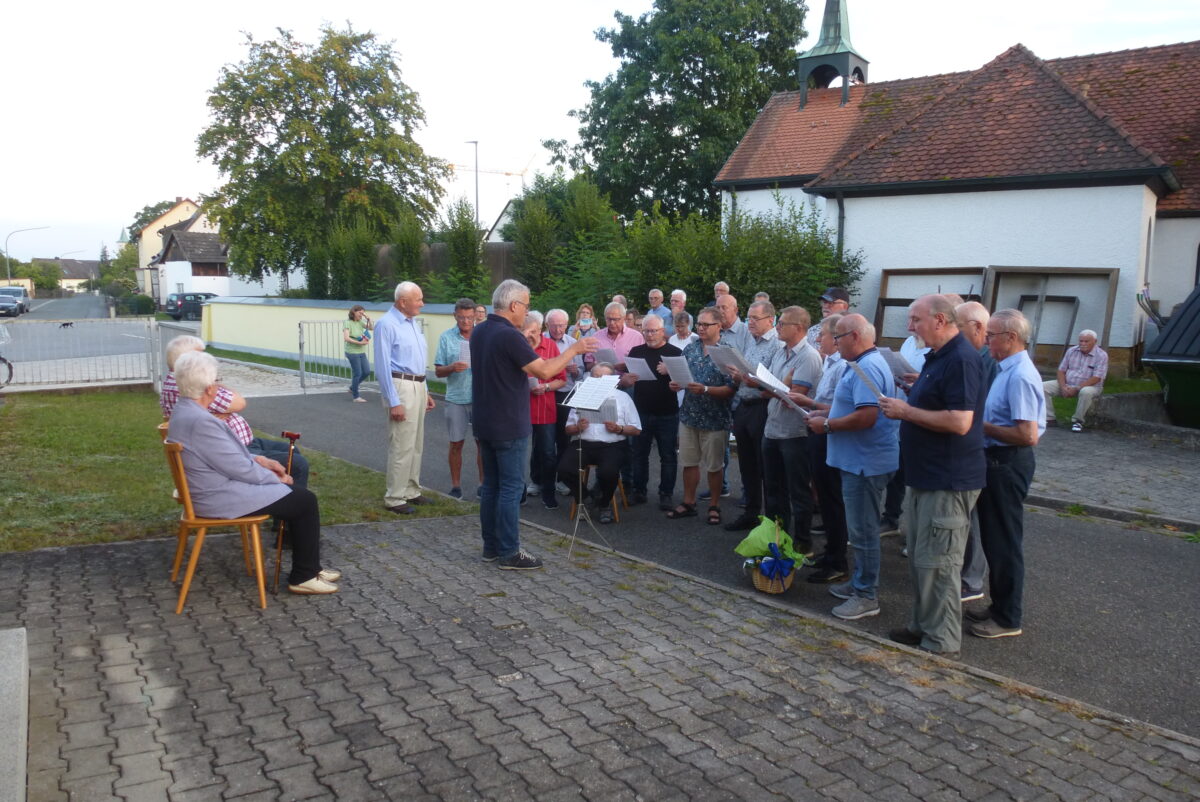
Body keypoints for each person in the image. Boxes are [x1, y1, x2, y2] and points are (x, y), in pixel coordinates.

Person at [168, 351, 340, 595]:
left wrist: (260, 459)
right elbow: (238, 468)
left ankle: (311, 567)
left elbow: (225, 456)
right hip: (218, 495)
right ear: (208, 389)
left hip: (213, 487)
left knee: (297, 498)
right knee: (304, 501)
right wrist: (276, 478)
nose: (219, 386)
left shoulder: (185, 411)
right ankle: (304, 575)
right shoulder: (201, 421)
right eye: (217, 380)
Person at [880, 294, 986, 656]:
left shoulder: (961, 359)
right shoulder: (939, 357)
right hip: (927, 475)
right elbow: (940, 402)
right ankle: (921, 625)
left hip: (949, 478)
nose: (910, 327)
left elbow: (959, 421)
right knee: (921, 559)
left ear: (940, 320)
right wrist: (917, 390)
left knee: (940, 564)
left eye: (915, 320)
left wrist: (906, 411)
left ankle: (941, 642)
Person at [471, 279, 597, 570]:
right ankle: (509, 552)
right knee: (510, 488)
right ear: (514, 305)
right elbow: (544, 369)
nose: (526, 311)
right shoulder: (509, 335)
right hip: (508, 423)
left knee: (491, 485)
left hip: (485, 419)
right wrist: (573, 350)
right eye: (526, 305)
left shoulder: (480, 331)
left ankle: (491, 547)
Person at [807, 315, 899, 621]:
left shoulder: (868, 366)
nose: (834, 343)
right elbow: (852, 408)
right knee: (861, 529)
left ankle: (866, 595)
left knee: (863, 531)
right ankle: (860, 582)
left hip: (865, 463)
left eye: (838, 337)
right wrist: (822, 412)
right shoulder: (862, 363)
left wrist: (828, 425)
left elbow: (866, 417)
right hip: (859, 460)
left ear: (855, 336)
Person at [969, 309, 1045, 639]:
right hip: (995, 460)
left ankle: (1008, 617)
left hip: (1007, 462)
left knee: (1004, 542)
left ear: (1011, 338)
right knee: (993, 538)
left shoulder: (1020, 375)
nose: (987, 341)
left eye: (992, 336)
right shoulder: (1004, 369)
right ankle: (999, 606)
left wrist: (979, 426)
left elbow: (1028, 435)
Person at [160, 335, 309, 489]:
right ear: (186, 361)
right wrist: (215, 384)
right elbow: (239, 402)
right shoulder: (195, 388)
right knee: (298, 464)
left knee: (292, 450)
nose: (208, 358)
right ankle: (287, 501)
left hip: (239, 443)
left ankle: (289, 500)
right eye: (200, 355)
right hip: (234, 449)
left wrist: (214, 381)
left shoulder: (174, 383)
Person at [757, 307, 823, 554]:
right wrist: (781, 385)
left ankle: (803, 541)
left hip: (794, 433)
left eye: (782, 323)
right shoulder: (780, 352)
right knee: (772, 489)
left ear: (799, 327)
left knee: (797, 490)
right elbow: (765, 390)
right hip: (772, 428)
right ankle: (776, 535)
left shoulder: (808, 356)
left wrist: (780, 387)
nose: (777, 327)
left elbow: (794, 398)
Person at [790, 314, 849, 583]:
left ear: (836, 339)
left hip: (829, 434)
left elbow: (839, 408)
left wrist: (808, 402)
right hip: (819, 429)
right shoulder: (831, 363)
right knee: (825, 499)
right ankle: (830, 553)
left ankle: (837, 561)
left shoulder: (842, 366)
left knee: (833, 500)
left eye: (822, 335)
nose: (817, 339)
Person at [666, 307, 735, 524]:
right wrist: (675, 384)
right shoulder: (691, 349)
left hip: (715, 418)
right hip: (689, 414)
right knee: (688, 462)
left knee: (715, 465)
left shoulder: (727, 351)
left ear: (719, 326)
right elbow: (682, 377)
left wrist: (705, 389)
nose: (701, 328)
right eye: (699, 324)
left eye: (706, 325)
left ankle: (714, 505)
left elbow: (731, 389)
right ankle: (689, 502)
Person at [374, 281, 436, 515]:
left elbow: (417, 361)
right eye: (418, 299)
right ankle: (395, 497)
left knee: (416, 442)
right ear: (403, 302)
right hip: (400, 386)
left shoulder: (412, 323)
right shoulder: (387, 325)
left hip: (417, 385)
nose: (422, 303)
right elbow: (382, 366)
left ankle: (411, 489)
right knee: (401, 443)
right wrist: (394, 401)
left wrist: (426, 390)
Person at [723, 300, 782, 531]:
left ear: (770, 320)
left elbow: (777, 382)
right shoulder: (752, 341)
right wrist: (738, 377)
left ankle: (770, 519)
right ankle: (751, 511)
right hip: (744, 404)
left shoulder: (776, 344)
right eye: (748, 318)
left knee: (765, 465)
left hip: (762, 406)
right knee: (747, 464)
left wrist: (752, 380)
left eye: (755, 319)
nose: (750, 323)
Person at [954, 300, 999, 601]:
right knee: (967, 518)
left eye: (959, 327)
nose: (954, 332)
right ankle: (965, 574)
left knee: (979, 520)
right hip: (973, 445)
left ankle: (973, 579)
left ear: (979, 327)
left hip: (984, 448)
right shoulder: (970, 355)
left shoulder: (985, 360)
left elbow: (984, 407)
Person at [559, 364, 642, 524]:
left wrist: (619, 428)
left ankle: (605, 504)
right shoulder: (581, 395)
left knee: (608, 472)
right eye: (595, 376)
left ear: (613, 380)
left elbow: (636, 429)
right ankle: (587, 499)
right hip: (584, 442)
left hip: (612, 444)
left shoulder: (623, 398)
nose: (598, 380)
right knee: (564, 469)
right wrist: (578, 427)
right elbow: (568, 429)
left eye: (603, 377)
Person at [623, 314, 682, 510]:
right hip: (641, 411)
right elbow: (626, 378)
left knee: (668, 456)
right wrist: (627, 379)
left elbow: (684, 382)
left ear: (663, 331)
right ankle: (639, 491)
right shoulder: (636, 351)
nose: (649, 335)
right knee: (639, 454)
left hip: (667, 412)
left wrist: (671, 370)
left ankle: (666, 494)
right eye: (646, 331)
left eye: (653, 331)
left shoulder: (675, 352)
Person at [433, 298, 480, 499]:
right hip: (455, 397)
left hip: (480, 397)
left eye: (469, 317)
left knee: (482, 444)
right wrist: (452, 367)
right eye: (461, 317)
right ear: (455, 316)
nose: (466, 321)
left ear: (476, 316)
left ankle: (483, 484)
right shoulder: (446, 337)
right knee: (456, 443)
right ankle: (455, 485)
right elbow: (438, 371)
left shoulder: (482, 335)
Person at [523, 311, 567, 509]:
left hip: (544, 407)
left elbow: (562, 379)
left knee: (548, 452)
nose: (529, 335)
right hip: (520, 408)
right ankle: (520, 492)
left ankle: (548, 492)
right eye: (525, 330)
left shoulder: (550, 346)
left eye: (533, 331)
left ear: (541, 330)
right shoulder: (518, 346)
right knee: (519, 452)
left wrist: (546, 387)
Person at [545, 308, 583, 494]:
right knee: (543, 440)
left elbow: (582, 373)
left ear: (567, 325)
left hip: (566, 394)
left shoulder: (573, 343)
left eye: (561, 325)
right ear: (547, 325)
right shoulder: (541, 340)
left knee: (563, 439)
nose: (558, 329)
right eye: (554, 325)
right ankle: (541, 479)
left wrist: (575, 371)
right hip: (544, 394)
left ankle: (562, 479)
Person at [1043, 329, 1108, 432]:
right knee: (1042, 387)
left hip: (1091, 386)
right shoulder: (1071, 351)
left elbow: (1097, 378)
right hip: (1068, 383)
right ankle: (1049, 418)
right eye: (1081, 341)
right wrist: (1064, 387)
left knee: (1085, 392)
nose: (1083, 344)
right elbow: (1061, 371)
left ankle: (1078, 421)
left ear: (1095, 341)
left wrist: (1076, 388)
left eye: (1086, 341)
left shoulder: (1101, 355)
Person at [342, 305, 373, 402]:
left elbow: (371, 328)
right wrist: (360, 343)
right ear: (354, 312)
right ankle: (356, 396)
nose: (361, 315)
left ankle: (352, 387)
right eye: (360, 313)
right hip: (352, 352)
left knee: (367, 371)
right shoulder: (347, 323)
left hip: (361, 351)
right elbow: (346, 338)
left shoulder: (360, 322)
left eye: (363, 313)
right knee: (358, 373)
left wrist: (369, 319)